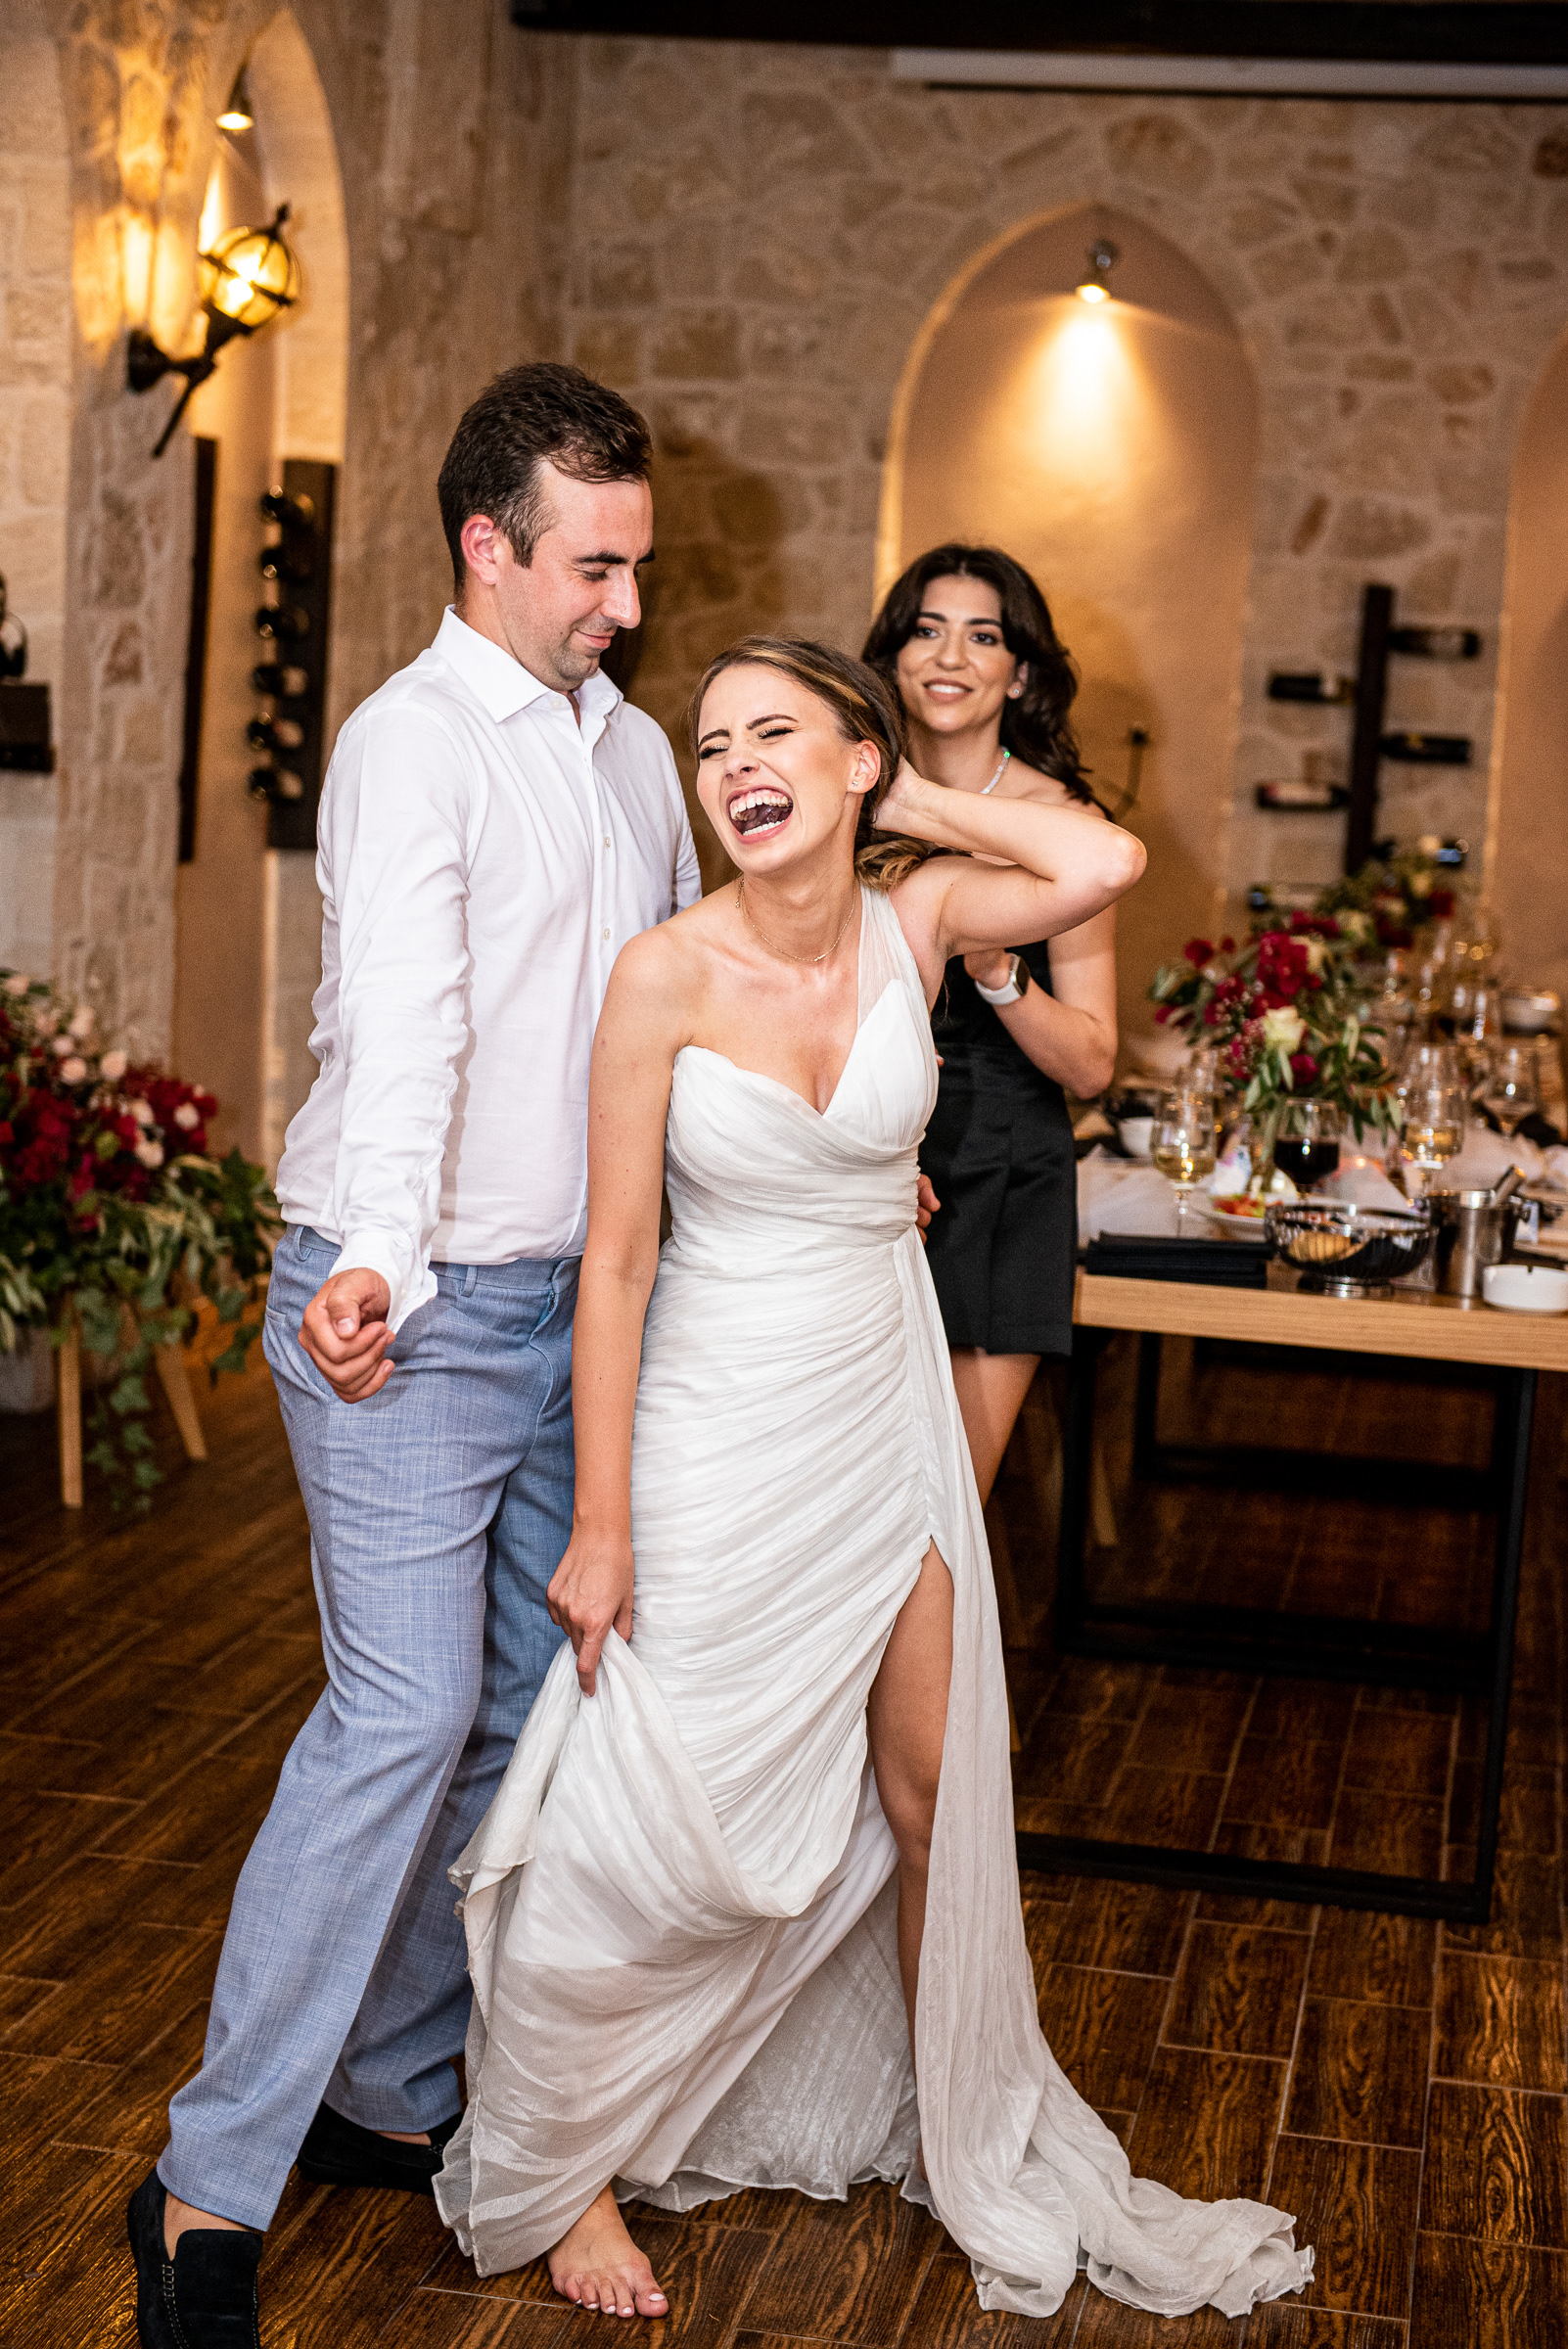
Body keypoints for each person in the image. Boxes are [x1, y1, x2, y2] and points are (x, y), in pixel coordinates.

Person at [433, 640, 1312, 2326]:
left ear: (854, 763)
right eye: (712, 748)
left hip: (884, 1408)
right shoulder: (660, 975)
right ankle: (563, 2172)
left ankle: (954, 2110)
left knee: (925, 1793)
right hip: (714, 1420)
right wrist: (602, 1523)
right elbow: (616, 1262)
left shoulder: (916, 922)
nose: (735, 770)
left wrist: (893, 786)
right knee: (646, 1807)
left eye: (774, 735)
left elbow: (1099, 859)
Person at [125, 362, 702, 2349]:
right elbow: (406, 1022)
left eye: (636, 563)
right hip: (412, 1310)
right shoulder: (407, 743)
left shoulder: (636, 755)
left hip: (581, 1311)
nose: (627, 602)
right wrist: (377, 1256)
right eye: (596, 566)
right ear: (490, 547)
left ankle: (388, 2084)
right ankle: (206, 2185)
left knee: (526, 1711)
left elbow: (679, 1004)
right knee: (401, 1716)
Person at [864, 545, 1118, 1503]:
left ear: (1018, 672)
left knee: (945, 1507)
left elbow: (1092, 1064)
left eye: (982, 636)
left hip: (1004, 1169)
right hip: (869, 1162)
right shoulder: (852, 805)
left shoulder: (1065, 824)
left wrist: (1004, 978)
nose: (949, 657)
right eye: (927, 630)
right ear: (893, 655)